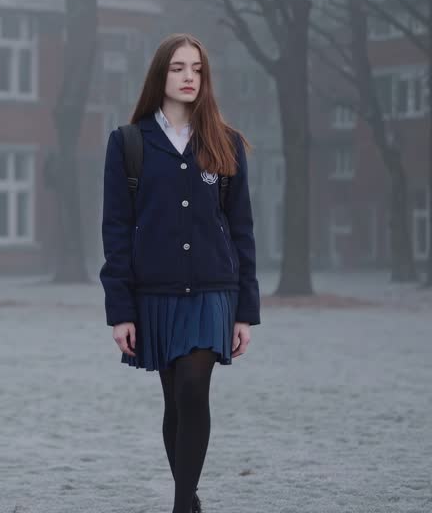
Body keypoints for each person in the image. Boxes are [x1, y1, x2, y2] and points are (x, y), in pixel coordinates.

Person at [99, 34, 260, 513]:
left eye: (197, 69)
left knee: (194, 389)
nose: (189, 77)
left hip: (213, 293)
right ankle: (189, 501)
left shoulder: (226, 144)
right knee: (173, 400)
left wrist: (245, 312)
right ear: (160, 76)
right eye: (178, 68)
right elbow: (117, 230)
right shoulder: (129, 144)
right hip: (156, 294)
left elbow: (242, 230)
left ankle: (178, 507)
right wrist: (120, 310)